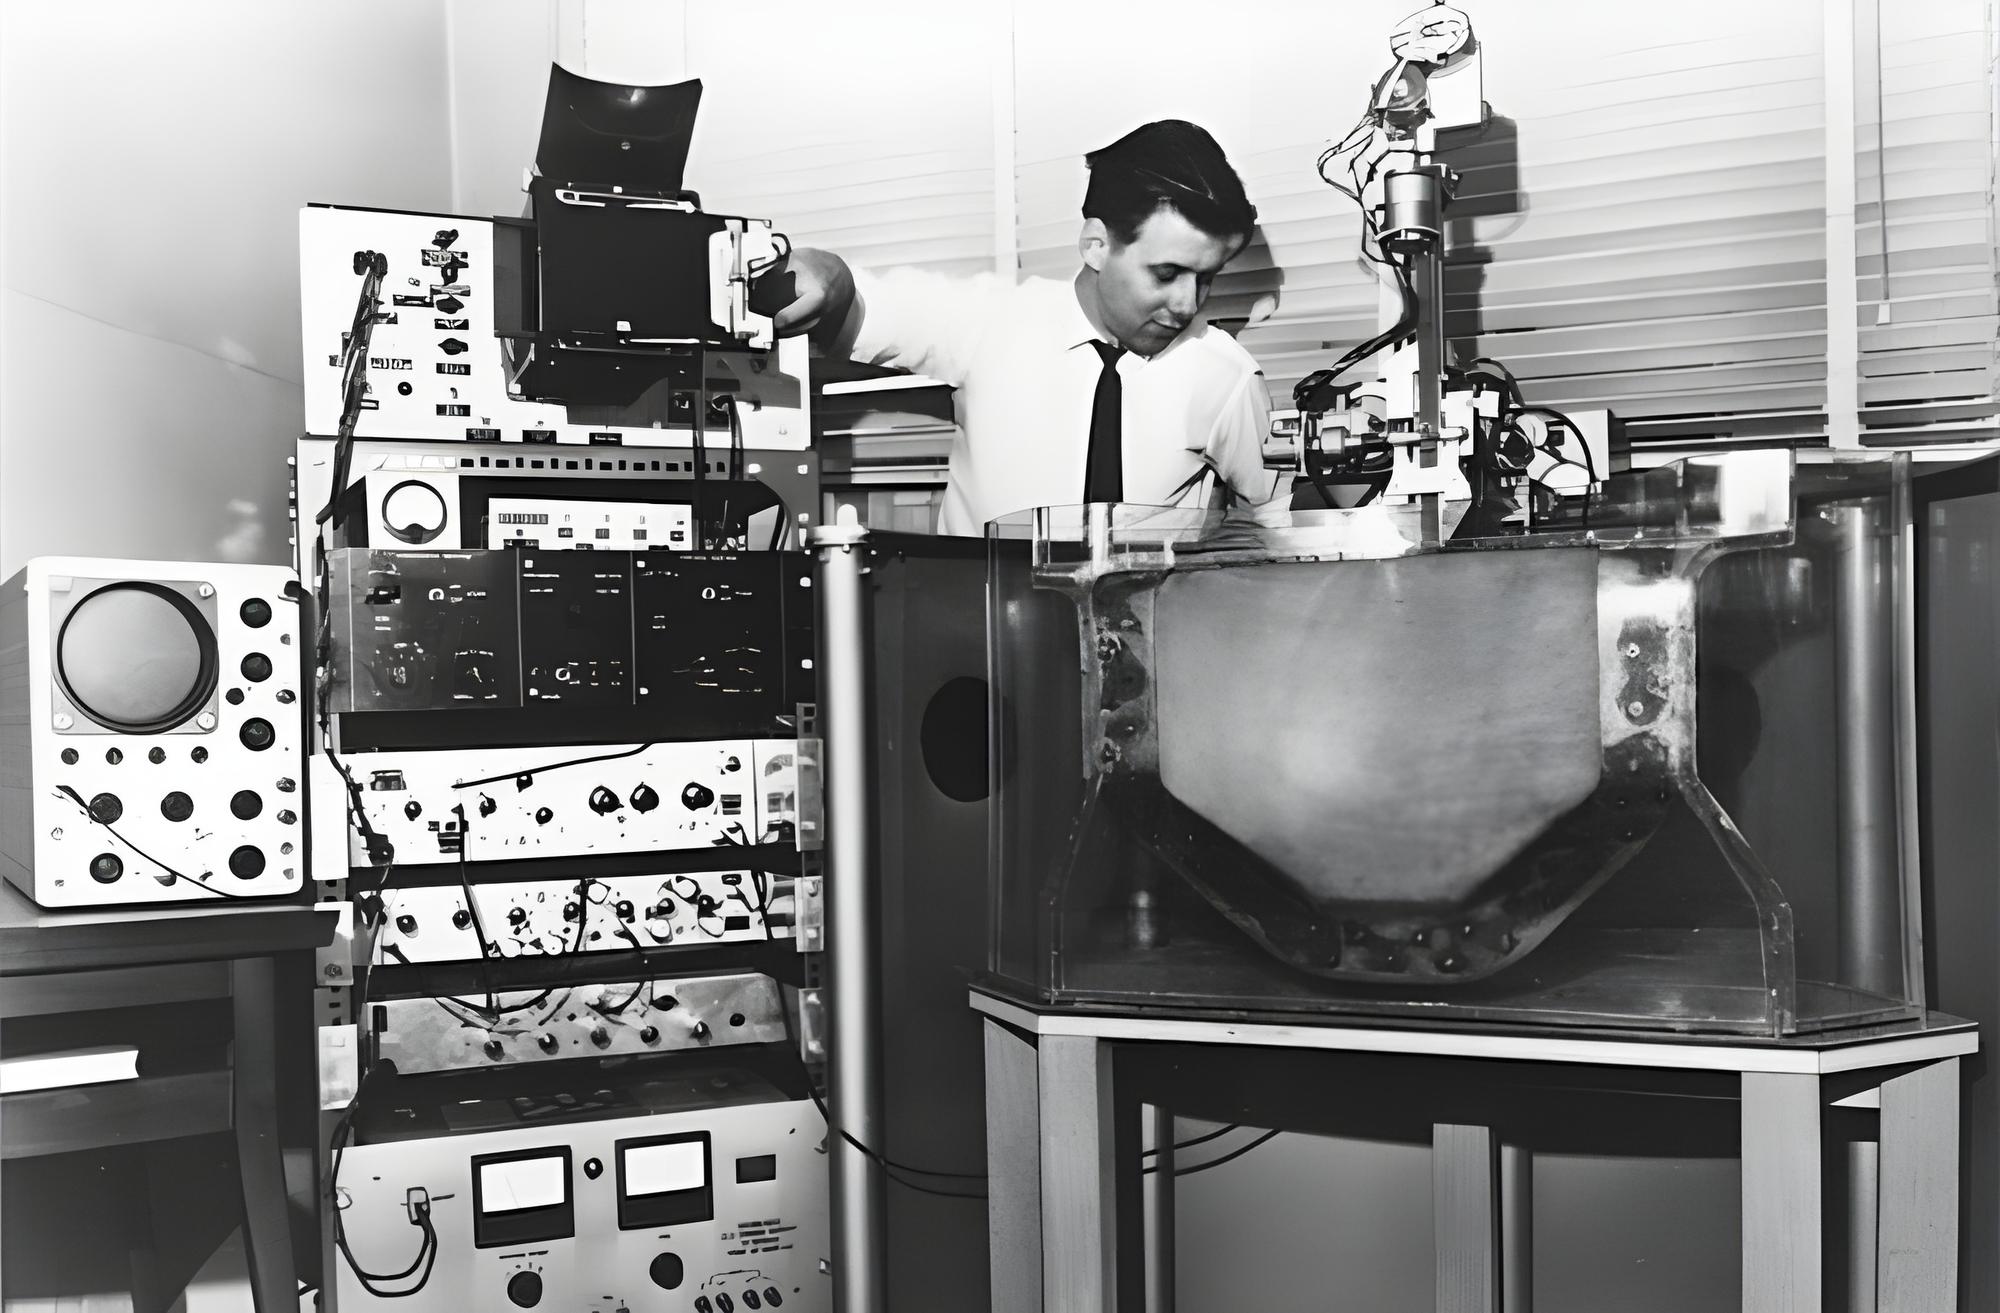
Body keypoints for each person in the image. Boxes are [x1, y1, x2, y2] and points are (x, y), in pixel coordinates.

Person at [750, 119, 1281, 535]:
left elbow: (1276, 528)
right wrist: (823, 272)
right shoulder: (990, 321)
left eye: (1206, 278)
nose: (1187, 305)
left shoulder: (1227, 376)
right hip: (979, 631)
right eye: (1166, 274)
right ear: (1096, 245)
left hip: (1147, 636)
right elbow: (855, 304)